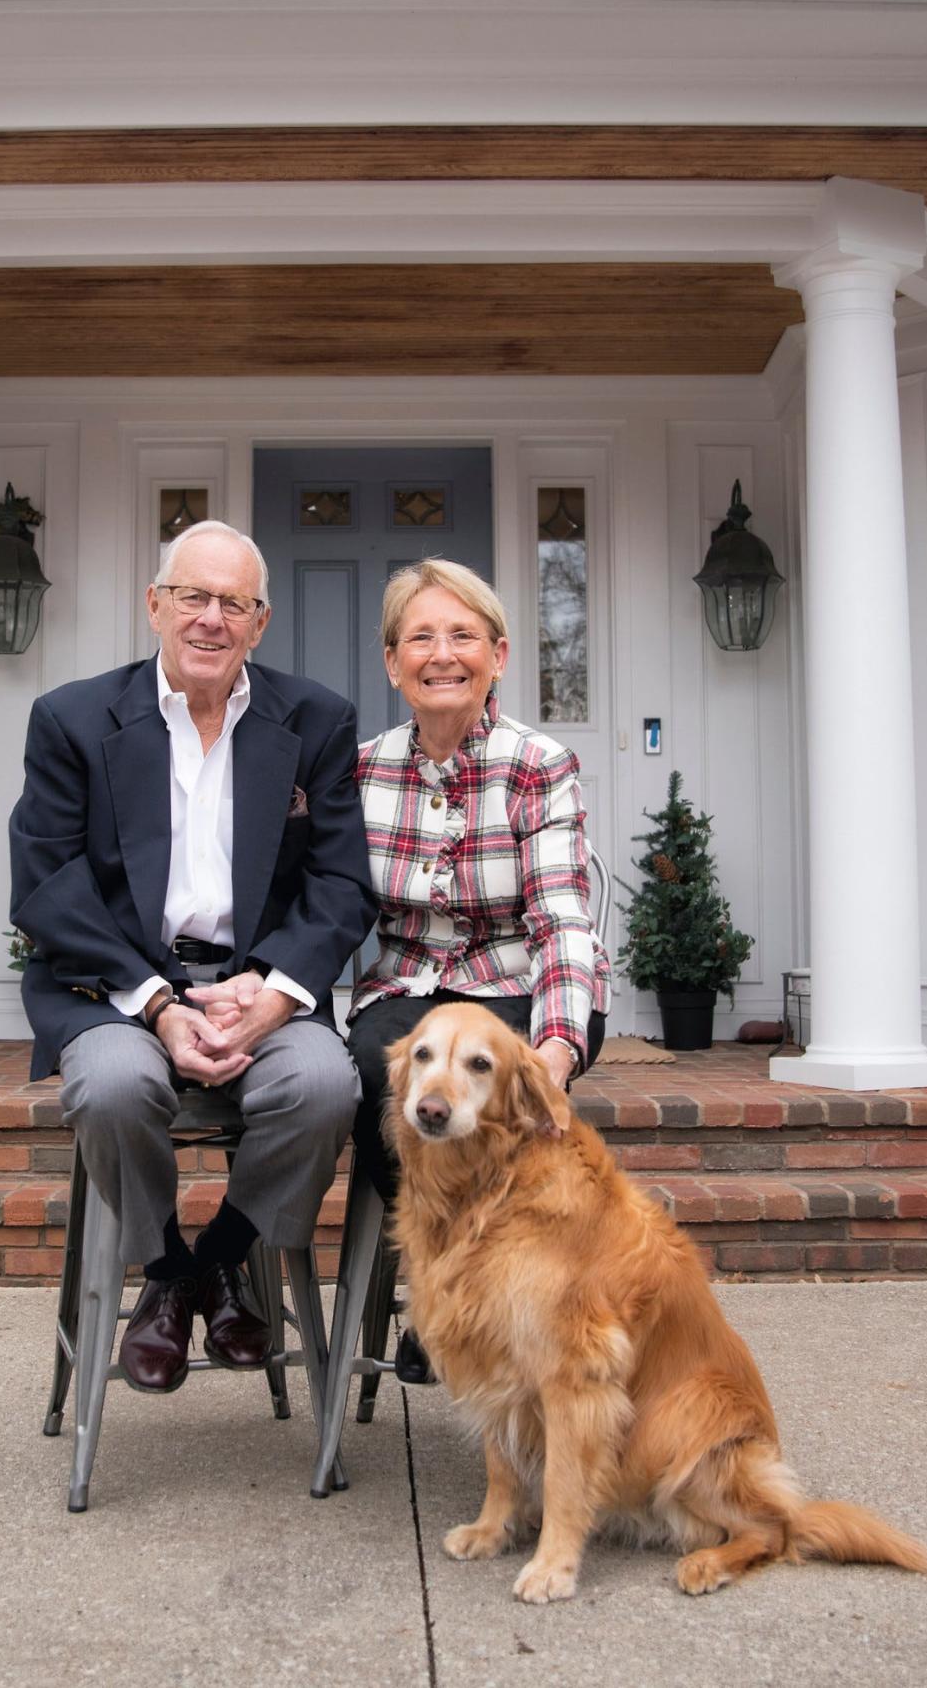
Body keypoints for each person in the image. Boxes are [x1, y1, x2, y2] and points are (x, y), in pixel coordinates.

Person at [9, 522, 375, 1394]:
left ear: (261, 621)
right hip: (117, 986)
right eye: (193, 597)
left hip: (259, 984)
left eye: (233, 603)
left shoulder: (316, 720)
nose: (211, 619)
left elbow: (340, 882)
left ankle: (215, 1259)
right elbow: (46, 885)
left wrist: (278, 993)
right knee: (110, 1086)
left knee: (326, 1086)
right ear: (155, 606)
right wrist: (159, 1003)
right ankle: (171, 1269)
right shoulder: (71, 718)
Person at [346, 558, 612, 1380]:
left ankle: (484, 1294)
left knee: (504, 1095)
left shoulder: (537, 763)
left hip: (519, 988)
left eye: (463, 635)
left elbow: (563, 919)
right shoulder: (359, 769)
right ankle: (442, 1289)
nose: (442, 653)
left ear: (497, 654)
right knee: (368, 1070)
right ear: (393, 662)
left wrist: (554, 1058)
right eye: (420, 636)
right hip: (410, 992)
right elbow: (326, 902)